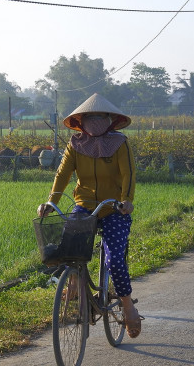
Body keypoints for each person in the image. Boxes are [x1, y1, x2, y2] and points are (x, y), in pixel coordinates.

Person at [37, 93, 142, 338]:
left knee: (114, 259)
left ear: (109, 120)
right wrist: (51, 202)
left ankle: (128, 306)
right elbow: (62, 175)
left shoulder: (119, 143)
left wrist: (126, 200)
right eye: (90, 117)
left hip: (114, 207)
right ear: (81, 121)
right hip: (84, 204)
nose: (95, 121)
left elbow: (129, 174)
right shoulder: (75, 145)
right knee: (68, 247)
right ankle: (74, 282)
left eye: (99, 117)